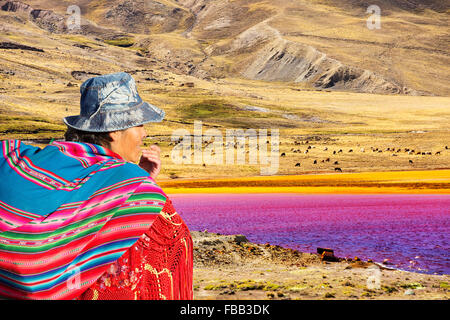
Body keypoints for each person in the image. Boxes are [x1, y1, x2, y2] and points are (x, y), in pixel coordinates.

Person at [0, 72, 193, 300]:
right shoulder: (132, 184)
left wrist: (139, 176)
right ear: (113, 130)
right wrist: (140, 183)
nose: (145, 133)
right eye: (139, 124)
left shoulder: (21, 160)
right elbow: (174, 245)